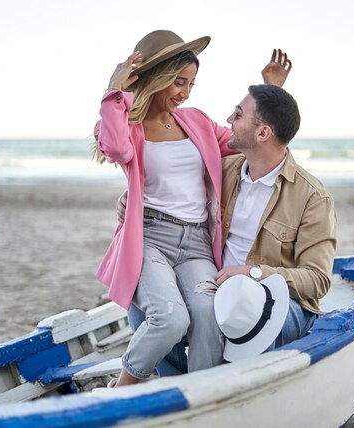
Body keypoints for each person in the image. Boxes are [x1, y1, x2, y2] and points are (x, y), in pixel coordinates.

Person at [93, 30, 291, 387]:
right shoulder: (129, 125)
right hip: (150, 239)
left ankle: (201, 391)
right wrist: (113, 89)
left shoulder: (196, 121)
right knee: (170, 318)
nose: (184, 92)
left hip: (197, 242)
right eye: (179, 83)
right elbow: (115, 148)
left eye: (191, 84)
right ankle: (122, 387)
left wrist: (270, 91)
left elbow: (246, 138)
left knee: (207, 313)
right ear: (158, 79)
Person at [118, 84, 337, 366]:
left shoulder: (312, 198)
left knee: (255, 309)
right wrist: (133, 197)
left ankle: (251, 386)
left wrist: (254, 274)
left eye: (237, 114)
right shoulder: (222, 171)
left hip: (278, 303)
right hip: (216, 290)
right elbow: (168, 184)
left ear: (262, 133)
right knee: (143, 310)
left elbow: (318, 281)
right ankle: (180, 385)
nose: (228, 120)